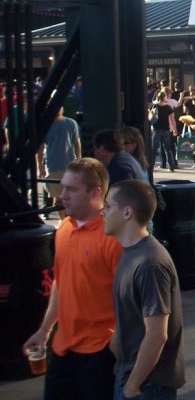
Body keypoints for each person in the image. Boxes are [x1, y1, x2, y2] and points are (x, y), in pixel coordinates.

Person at [23, 158, 122, 400]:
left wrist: (117, 342)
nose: (62, 195)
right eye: (63, 186)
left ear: (96, 193)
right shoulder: (64, 228)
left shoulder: (113, 236)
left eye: (71, 189)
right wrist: (45, 330)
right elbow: (61, 282)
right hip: (63, 348)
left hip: (100, 351)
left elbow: (130, 297)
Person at [102, 180, 185, 399]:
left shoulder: (150, 264)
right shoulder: (130, 253)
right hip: (130, 376)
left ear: (127, 212)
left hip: (147, 385)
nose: (103, 212)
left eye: (109, 206)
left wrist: (132, 385)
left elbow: (157, 335)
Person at [37, 106, 81, 220]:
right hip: (53, 165)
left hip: (69, 166)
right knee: (58, 198)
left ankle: (71, 220)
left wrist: (79, 159)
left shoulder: (71, 123)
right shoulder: (45, 125)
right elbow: (41, 147)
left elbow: (77, 142)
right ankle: (63, 221)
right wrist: (40, 166)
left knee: (71, 196)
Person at [151, 91, 177, 171]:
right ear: (163, 97)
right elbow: (173, 120)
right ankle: (171, 167)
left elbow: (151, 117)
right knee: (168, 148)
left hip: (156, 129)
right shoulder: (168, 107)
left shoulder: (154, 106)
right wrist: (175, 129)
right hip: (166, 129)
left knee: (154, 148)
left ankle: (151, 166)